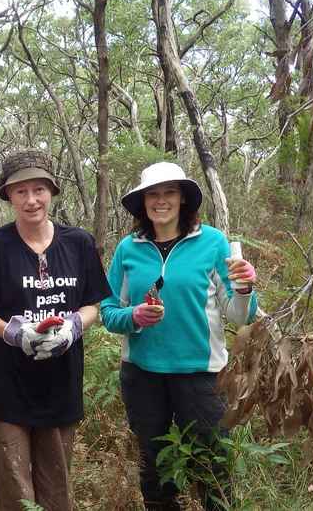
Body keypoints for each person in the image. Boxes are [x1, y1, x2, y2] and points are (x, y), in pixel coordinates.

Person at [0, 149, 111, 511]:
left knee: (57, 491)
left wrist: (73, 327)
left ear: (52, 191)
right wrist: (16, 333)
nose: (31, 200)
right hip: (4, 390)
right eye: (20, 191)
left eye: (39, 189)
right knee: (14, 494)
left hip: (60, 386)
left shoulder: (79, 243)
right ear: (8, 195)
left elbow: (93, 304)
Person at [99, 162, 259, 510]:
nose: (160, 201)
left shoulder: (213, 243)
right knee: (155, 469)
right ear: (142, 202)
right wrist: (134, 317)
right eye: (152, 194)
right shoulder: (129, 248)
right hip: (142, 375)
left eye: (169, 192)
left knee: (210, 464)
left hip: (201, 374)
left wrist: (245, 287)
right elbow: (108, 310)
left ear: (183, 198)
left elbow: (238, 315)